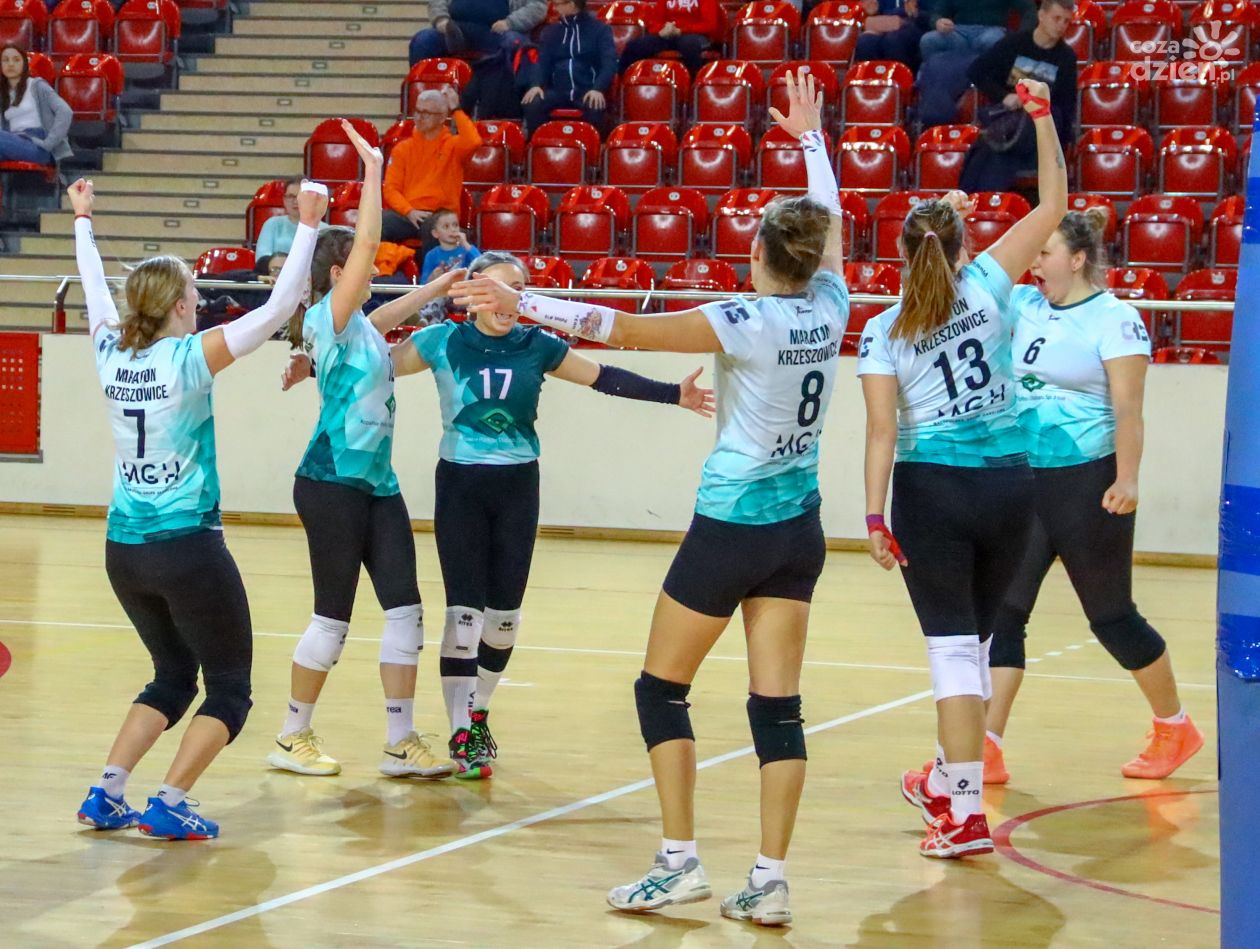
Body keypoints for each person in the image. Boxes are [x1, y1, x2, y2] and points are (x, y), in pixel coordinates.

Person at [453, 69, 849, 926]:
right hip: (800, 528)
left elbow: (621, 327)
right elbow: (833, 219)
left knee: (660, 690)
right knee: (777, 707)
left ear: (757, 256)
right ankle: (770, 878)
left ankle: (678, 863)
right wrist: (813, 142)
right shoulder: (832, 303)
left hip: (732, 527)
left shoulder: (745, 319)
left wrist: (522, 301)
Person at [72, 176, 327, 839]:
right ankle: (170, 800)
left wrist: (82, 222)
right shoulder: (189, 357)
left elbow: (95, 292)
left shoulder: (108, 351)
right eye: (194, 294)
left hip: (123, 550)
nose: (200, 303)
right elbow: (279, 308)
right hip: (186, 546)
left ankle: (107, 793)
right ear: (181, 304)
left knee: (172, 676)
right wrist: (307, 225)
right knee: (230, 688)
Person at [857, 78, 1066, 859]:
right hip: (1011, 485)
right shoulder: (987, 283)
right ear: (963, 246)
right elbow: (1053, 204)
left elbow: (882, 430)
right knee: (975, 647)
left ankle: (966, 814)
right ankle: (947, 780)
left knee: (951, 653)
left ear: (903, 254)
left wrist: (873, 517)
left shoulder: (885, 327)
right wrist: (1042, 118)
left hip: (933, 490)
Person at [267, 122, 466, 781]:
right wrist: (374, 172)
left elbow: (385, 320)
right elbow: (372, 243)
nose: (372, 268)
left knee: (406, 609)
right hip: (331, 481)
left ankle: (399, 741)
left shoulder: (357, 327)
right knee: (333, 617)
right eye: (359, 264)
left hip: (376, 483)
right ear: (338, 273)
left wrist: (435, 290)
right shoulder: (327, 316)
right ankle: (291, 734)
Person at [984, 208, 1203, 783]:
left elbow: (1129, 410)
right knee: (1004, 612)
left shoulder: (1115, 320)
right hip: (1027, 478)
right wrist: (947, 228)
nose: (1034, 264)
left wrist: (1127, 479)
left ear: (1078, 259)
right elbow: (967, 276)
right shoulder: (1025, 304)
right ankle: (985, 747)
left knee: (1111, 616)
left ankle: (1175, 726)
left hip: (1088, 482)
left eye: (1045, 253)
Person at [960, 0, 1077, 194]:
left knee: (1038, 118)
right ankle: (980, 196)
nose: (1061, 26)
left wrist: (1059, 155)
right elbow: (976, 71)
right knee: (994, 148)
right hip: (1009, 117)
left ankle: (982, 194)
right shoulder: (1015, 43)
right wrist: (1004, 96)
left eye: (1066, 21)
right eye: (1056, 19)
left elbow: (1066, 107)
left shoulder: (1066, 57)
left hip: (1042, 128)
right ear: (1041, 16)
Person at [382, 86, 482, 248]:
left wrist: (456, 110)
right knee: (377, 223)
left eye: (426, 113)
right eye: (417, 111)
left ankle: (426, 266)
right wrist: (409, 211)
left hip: (440, 214)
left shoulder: (453, 146)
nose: (419, 117)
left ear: (442, 117)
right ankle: (389, 264)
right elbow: (390, 189)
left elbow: (474, 141)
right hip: (409, 213)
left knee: (435, 229)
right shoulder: (402, 149)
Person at [521, 0, 617, 136]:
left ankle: (594, 146)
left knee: (595, 105)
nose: (554, 8)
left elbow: (609, 63)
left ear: (571, 5)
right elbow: (542, 63)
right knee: (532, 103)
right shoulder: (550, 31)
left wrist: (598, 88)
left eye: (557, 4)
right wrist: (536, 85)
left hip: (587, 89)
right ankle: (538, 143)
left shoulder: (600, 30)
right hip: (557, 90)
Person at [409, 0, 546, 67]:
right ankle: (422, 105)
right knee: (423, 41)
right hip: (455, 30)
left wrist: (510, 23)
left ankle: (503, 110)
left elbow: (538, 6)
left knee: (512, 43)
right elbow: (437, 2)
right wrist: (441, 20)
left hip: (498, 32)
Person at [0, 44, 71, 165]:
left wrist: (50, 142)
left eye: (16, 60)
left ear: (24, 64)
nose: (10, 64)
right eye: (5, 60)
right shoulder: (2, 93)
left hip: (36, 144)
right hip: (10, 142)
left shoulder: (37, 85)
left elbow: (65, 112)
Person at [618, 0, 725, 77]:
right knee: (636, 45)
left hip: (696, 35)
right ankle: (623, 82)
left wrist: (681, 30)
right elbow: (654, 23)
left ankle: (692, 83)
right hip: (669, 34)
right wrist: (662, 30)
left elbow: (710, 25)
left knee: (688, 45)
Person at [920, 0, 1035, 61]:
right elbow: (937, 13)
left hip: (992, 29)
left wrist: (1021, 36)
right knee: (929, 40)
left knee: (989, 40)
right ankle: (938, 85)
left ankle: (985, 85)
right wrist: (938, 22)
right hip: (959, 32)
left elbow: (1029, 9)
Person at [256, 177, 328, 264]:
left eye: (301, 196)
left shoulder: (326, 230)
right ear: (284, 200)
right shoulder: (272, 224)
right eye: (291, 196)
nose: (296, 201)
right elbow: (261, 258)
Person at [854, 0, 929, 72]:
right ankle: (871, 78)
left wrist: (915, 13)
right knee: (865, 42)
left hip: (913, 25)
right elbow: (872, 12)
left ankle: (900, 77)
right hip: (882, 24)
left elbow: (929, 14)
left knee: (893, 40)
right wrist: (872, 10)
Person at [420, 209, 480, 283]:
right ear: (435, 233)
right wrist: (432, 277)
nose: (453, 229)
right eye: (446, 226)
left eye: (455, 225)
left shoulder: (466, 250)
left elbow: (482, 263)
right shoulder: (431, 255)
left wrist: (465, 243)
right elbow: (422, 284)